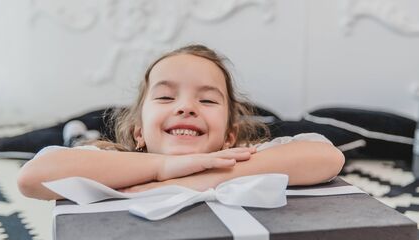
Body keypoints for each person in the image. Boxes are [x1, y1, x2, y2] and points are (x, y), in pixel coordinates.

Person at [17, 44, 345, 201]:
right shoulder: (114, 158)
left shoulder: (238, 154)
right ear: (139, 132)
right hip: (112, 149)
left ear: (230, 136)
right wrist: (162, 168)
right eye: (165, 98)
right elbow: (32, 178)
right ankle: (76, 130)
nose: (186, 107)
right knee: (79, 140)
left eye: (206, 100)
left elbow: (327, 157)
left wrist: (203, 177)